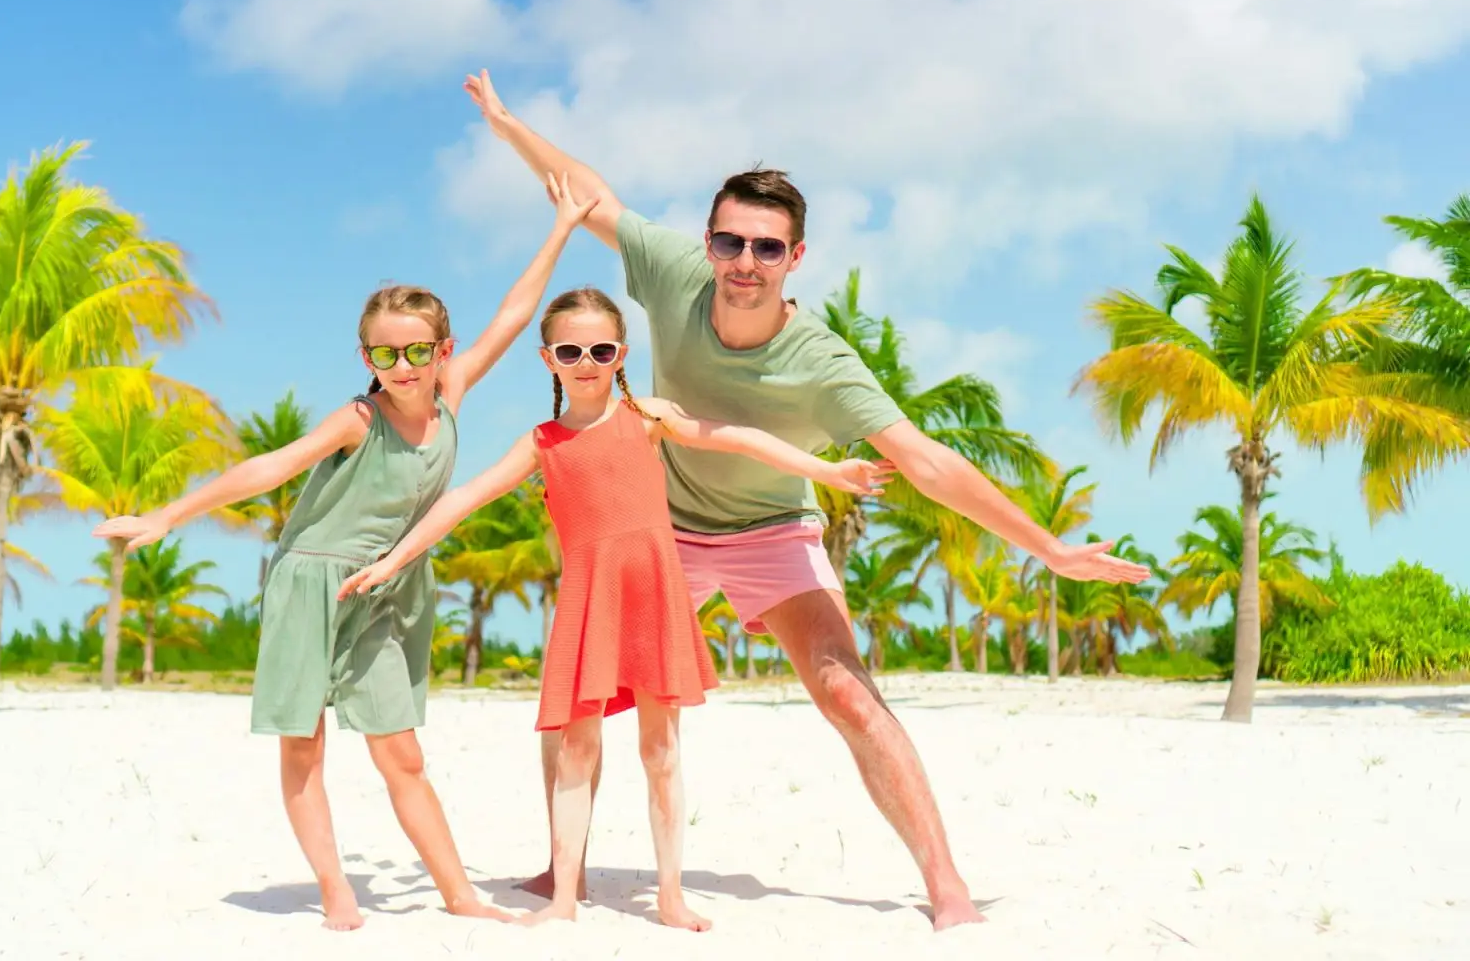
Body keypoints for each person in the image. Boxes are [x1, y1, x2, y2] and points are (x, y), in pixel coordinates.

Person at [460, 69, 1153, 931]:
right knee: (585, 690)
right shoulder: (674, 272)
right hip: (663, 528)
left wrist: (1048, 549)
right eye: (730, 243)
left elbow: (927, 463)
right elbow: (591, 195)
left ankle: (945, 885)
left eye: (767, 248)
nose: (744, 263)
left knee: (845, 689)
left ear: (796, 258)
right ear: (709, 243)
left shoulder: (823, 364)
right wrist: (506, 124)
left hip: (772, 531)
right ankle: (564, 868)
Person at [91, 173, 599, 932]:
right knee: (305, 747)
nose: (401, 366)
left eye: (416, 350)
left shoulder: (452, 395)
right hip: (311, 584)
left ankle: (459, 894)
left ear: (441, 350)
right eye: (384, 353)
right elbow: (270, 467)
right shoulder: (357, 419)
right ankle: (335, 890)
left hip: (385, 592)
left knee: (402, 754)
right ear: (366, 355)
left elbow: (514, 313)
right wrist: (168, 515)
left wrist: (561, 226)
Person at [335, 286, 891, 931]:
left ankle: (671, 897)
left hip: (653, 590)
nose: (587, 360)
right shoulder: (541, 442)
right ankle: (566, 897)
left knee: (661, 750)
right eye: (571, 350)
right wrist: (389, 561)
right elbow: (463, 501)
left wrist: (827, 473)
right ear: (549, 359)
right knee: (577, 748)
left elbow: (735, 437)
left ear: (620, 353)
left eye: (601, 348)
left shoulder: (648, 416)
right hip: (588, 598)